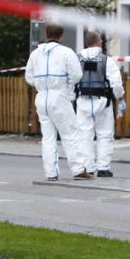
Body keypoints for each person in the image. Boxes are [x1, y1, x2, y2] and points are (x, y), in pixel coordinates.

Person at [25, 23, 84, 180]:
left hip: (42, 97)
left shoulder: (35, 53)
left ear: (46, 34)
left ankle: (51, 173)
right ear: (61, 36)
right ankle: (78, 169)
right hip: (60, 97)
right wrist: (68, 85)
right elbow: (77, 75)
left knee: (48, 137)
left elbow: (29, 77)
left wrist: (40, 84)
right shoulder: (66, 52)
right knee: (70, 134)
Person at [74, 30, 124, 177]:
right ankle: (103, 168)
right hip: (103, 101)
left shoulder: (77, 59)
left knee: (84, 135)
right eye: (101, 41)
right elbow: (116, 82)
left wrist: (72, 97)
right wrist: (119, 97)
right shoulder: (106, 60)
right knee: (105, 135)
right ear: (97, 42)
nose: (102, 43)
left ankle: (88, 167)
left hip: (83, 100)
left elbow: (71, 80)